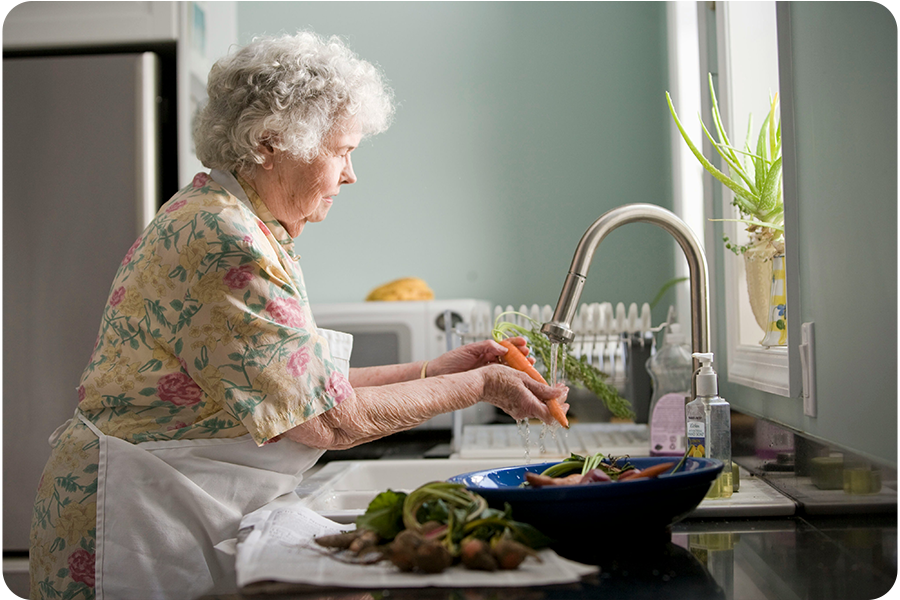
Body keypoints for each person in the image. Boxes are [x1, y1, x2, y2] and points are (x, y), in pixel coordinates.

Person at [29, 31, 568, 599]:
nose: (351, 174)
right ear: (270, 142)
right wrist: (480, 384)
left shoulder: (237, 223)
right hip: (135, 523)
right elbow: (327, 421)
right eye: (341, 151)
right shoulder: (222, 239)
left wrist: (436, 371)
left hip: (169, 503)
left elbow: (300, 389)